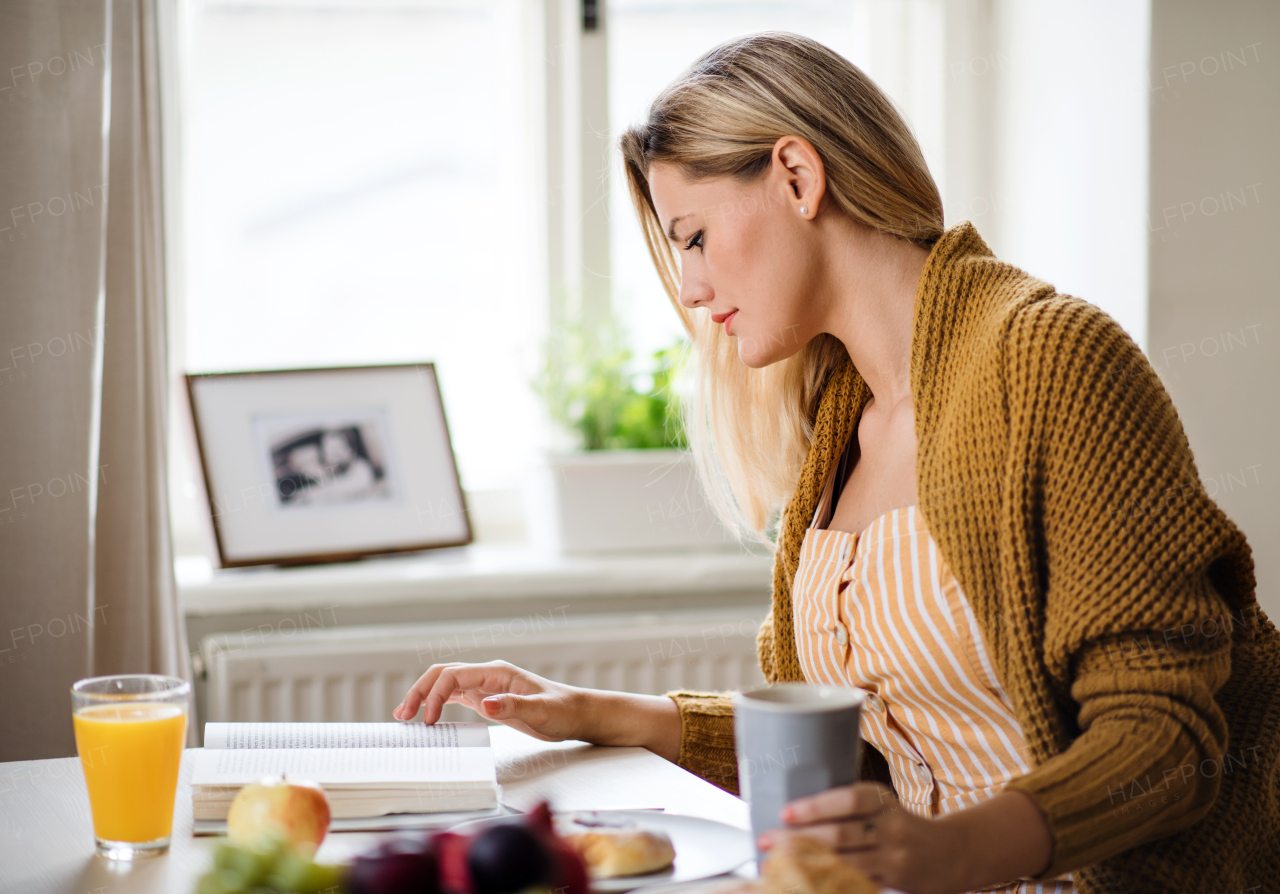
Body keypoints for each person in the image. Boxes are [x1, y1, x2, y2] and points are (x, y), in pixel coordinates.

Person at [394, 32, 1278, 894]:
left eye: (693, 237)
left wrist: (948, 855)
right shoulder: (838, 421)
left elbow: (1166, 738)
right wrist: (602, 713)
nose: (691, 292)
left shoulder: (1051, 357)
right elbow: (867, 741)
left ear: (797, 175)